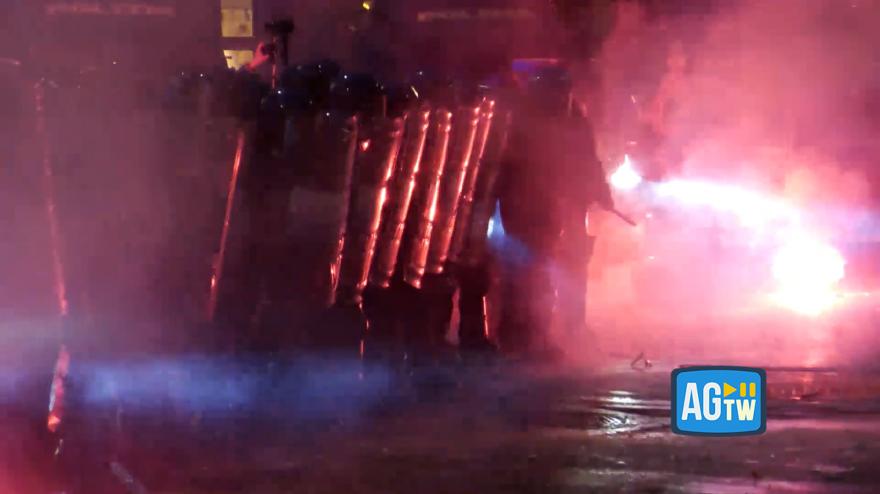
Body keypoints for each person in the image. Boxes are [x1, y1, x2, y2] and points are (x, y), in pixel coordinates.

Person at [495, 64, 613, 357]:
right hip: (528, 205)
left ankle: (565, 327)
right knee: (529, 270)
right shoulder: (524, 120)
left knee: (571, 263)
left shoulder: (575, 118)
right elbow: (512, 165)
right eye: (558, 91)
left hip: (565, 204)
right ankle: (523, 333)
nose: (564, 97)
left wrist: (599, 191)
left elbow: (588, 159)